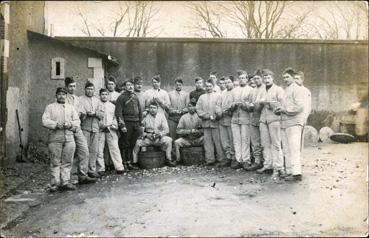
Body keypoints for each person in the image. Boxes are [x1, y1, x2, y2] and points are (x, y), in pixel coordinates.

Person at [42, 87, 80, 192]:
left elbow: (77, 121)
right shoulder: (50, 107)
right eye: (59, 94)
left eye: (63, 94)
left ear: (66, 96)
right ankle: (55, 183)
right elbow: (45, 120)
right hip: (55, 137)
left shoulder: (71, 108)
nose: (61, 96)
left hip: (69, 137)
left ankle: (65, 182)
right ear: (56, 96)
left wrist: (70, 124)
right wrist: (55, 124)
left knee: (68, 160)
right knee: (55, 161)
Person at [64, 77, 97, 184]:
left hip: (77, 128)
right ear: (66, 87)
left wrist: (82, 115)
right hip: (67, 129)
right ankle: (66, 179)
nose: (72, 88)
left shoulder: (77, 99)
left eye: (74, 86)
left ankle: (82, 175)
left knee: (84, 151)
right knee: (68, 154)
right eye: (70, 86)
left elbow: (82, 113)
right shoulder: (63, 98)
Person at [276, 68, 305, 182]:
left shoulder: (297, 89)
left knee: (294, 148)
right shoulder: (285, 90)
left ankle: (297, 173)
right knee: (286, 149)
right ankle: (289, 171)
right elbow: (283, 106)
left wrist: (285, 109)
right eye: (283, 77)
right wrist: (278, 109)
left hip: (294, 122)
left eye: (287, 77)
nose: (285, 79)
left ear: (293, 77)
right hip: (284, 123)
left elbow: (299, 106)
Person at [256, 69, 285, 180]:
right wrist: (260, 103)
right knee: (265, 144)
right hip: (263, 119)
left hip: (274, 119)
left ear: (273, 78)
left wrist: (271, 104)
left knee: (276, 144)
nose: (266, 80)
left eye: (268, 78)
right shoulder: (261, 90)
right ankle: (267, 165)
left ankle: (279, 167)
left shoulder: (278, 90)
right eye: (265, 78)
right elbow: (257, 107)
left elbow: (282, 105)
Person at [132, 101, 175, 166]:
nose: (152, 110)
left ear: (157, 109)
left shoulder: (161, 116)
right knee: (138, 143)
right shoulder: (145, 116)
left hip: (158, 138)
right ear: (148, 109)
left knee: (169, 140)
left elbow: (166, 130)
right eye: (151, 108)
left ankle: (168, 159)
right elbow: (140, 130)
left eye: (154, 108)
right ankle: (135, 162)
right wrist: (146, 135)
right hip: (148, 138)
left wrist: (160, 134)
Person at [79, 81, 105, 178]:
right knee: (84, 151)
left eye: (91, 89)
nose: (90, 91)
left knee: (94, 150)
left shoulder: (97, 101)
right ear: (85, 90)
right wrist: (85, 114)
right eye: (88, 89)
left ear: (94, 90)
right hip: (84, 128)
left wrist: (95, 113)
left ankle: (92, 170)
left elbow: (102, 114)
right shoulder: (80, 99)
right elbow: (78, 112)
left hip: (95, 128)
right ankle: (83, 172)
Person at [115, 79, 142, 170]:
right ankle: (124, 163)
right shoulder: (121, 97)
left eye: (131, 85)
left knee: (132, 143)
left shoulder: (135, 97)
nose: (130, 87)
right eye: (128, 85)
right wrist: (122, 125)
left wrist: (140, 123)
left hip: (136, 123)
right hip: (127, 123)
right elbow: (118, 113)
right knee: (125, 143)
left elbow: (140, 111)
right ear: (125, 87)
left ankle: (129, 162)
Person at [196, 79, 225, 165]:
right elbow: (198, 109)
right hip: (206, 123)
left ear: (213, 86)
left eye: (210, 86)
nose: (208, 88)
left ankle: (221, 159)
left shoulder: (218, 96)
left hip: (216, 123)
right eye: (207, 86)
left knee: (218, 141)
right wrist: (207, 116)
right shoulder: (202, 97)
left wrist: (216, 116)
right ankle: (210, 159)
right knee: (208, 142)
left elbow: (220, 108)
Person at [97, 88, 125, 175]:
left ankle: (119, 167)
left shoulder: (112, 106)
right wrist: (101, 125)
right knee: (99, 150)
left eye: (106, 94)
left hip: (111, 129)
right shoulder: (97, 105)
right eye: (102, 94)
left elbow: (115, 117)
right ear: (99, 95)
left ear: (108, 96)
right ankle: (101, 169)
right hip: (100, 130)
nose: (104, 96)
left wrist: (112, 126)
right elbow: (96, 118)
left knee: (114, 148)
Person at [230, 71, 253, 169]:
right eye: (240, 78)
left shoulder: (251, 90)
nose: (241, 79)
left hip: (245, 118)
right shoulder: (234, 90)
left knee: (245, 139)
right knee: (236, 140)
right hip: (235, 118)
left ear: (247, 79)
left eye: (243, 78)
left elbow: (252, 106)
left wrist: (245, 105)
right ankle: (238, 159)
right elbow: (229, 105)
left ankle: (246, 160)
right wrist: (233, 105)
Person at [246, 69, 266, 171]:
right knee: (255, 141)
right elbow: (249, 103)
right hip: (253, 118)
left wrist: (255, 105)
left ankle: (266, 162)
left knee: (265, 141)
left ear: (262, 78)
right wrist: (248, 105)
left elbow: (260, 105)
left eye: (258, 78)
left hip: (263, 118)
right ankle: (257, 161)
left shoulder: (265, 89)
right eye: (255, 78)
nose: (256, 80)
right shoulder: (252, 91)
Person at [216, 76, 235, 167]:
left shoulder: (235, 92)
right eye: (226, 82)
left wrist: (229, 110)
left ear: (233, 83)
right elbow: (218, 105)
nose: (227, 84)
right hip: (222, 119)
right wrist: (219, 112)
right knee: (224, 139)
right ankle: (227, 157)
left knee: (232, 139)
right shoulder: (222, 93)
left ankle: (234, 157)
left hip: (231, 119)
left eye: (229, 82)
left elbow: (235, 105)